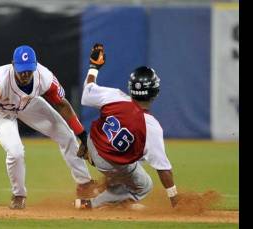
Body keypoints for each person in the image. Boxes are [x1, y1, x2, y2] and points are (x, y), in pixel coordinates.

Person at [0, 45, 98, 209]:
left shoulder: (44, 77)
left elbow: (62, 105)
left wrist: (82, 135)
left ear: (35, 65)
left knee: (66, 135)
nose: (25, 74)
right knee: (15, 152)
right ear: (13, 65)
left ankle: (84, 184)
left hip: (29, 104)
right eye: (21, 69)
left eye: (29, 70)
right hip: (0, 111)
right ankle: (18, 195)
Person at [74, 43, 179, 209]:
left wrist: (94, 67)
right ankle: (92, 204)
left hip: (91, 147)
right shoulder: (151, 126)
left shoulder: (114, 96)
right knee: (145, 185)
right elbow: (163, 168)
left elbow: (87, 92)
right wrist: (175, 201)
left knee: (137, 158)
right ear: (155, 92)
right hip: (109, 162)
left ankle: (112, 188)